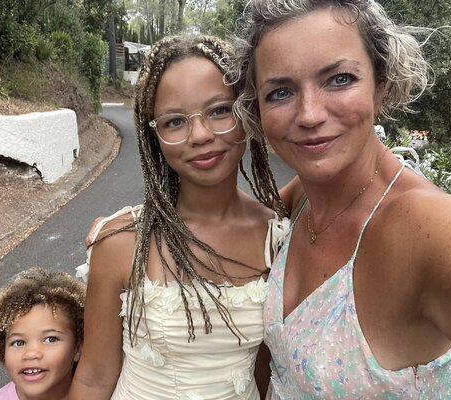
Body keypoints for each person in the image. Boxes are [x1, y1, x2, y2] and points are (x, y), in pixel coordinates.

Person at [227, 0, 451, 398]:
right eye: (280, 92)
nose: (310, 114)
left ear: (380, 86)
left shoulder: (435, 229)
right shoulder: (300, 200)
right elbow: (225, 232)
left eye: (339, 79)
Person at [69, 35, 289, 400]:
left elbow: (266, 369)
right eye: (174, 121)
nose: (200, 135)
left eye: (219, 110)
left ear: (246, 112)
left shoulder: (277, 239)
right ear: (154, 135)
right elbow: (93, 377)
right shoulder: (122, 242)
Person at [0, 268, 86, 400]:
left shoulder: (102, 392)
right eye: (18, 342)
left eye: (50, 339)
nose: (31, 354)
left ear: (78, 348)